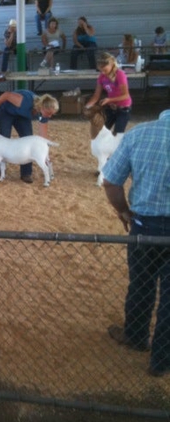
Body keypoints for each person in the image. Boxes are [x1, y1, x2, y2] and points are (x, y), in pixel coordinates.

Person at [103, 109, 170, 378]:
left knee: (141, 282)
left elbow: (110, 181)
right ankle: (161, 360)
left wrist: (124, 212)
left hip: (145, 225)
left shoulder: (139, 133)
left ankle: (136, 336)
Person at [0, 90, 59, 184]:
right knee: (3, 139)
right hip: (6, 113)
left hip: (22, 116)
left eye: (52, 114)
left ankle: (26, 173)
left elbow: (43, 137)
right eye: (49, 113)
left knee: (28, 137)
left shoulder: (43, 115)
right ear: (42, 107)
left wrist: (45, 154)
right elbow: (6, 95)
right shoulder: (24, 100)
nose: (49, 116)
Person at [85, 52, 132, 135]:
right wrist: (87, 107)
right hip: (111, 108)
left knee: (117, 134)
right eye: (101, 70)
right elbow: (96, 96)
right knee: (101, 132)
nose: (103, 72)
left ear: (111, 65)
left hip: (123, 109)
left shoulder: (120, 74)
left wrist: (109, 100)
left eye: (105, 70)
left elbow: (126, 95)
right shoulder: (102, 77)